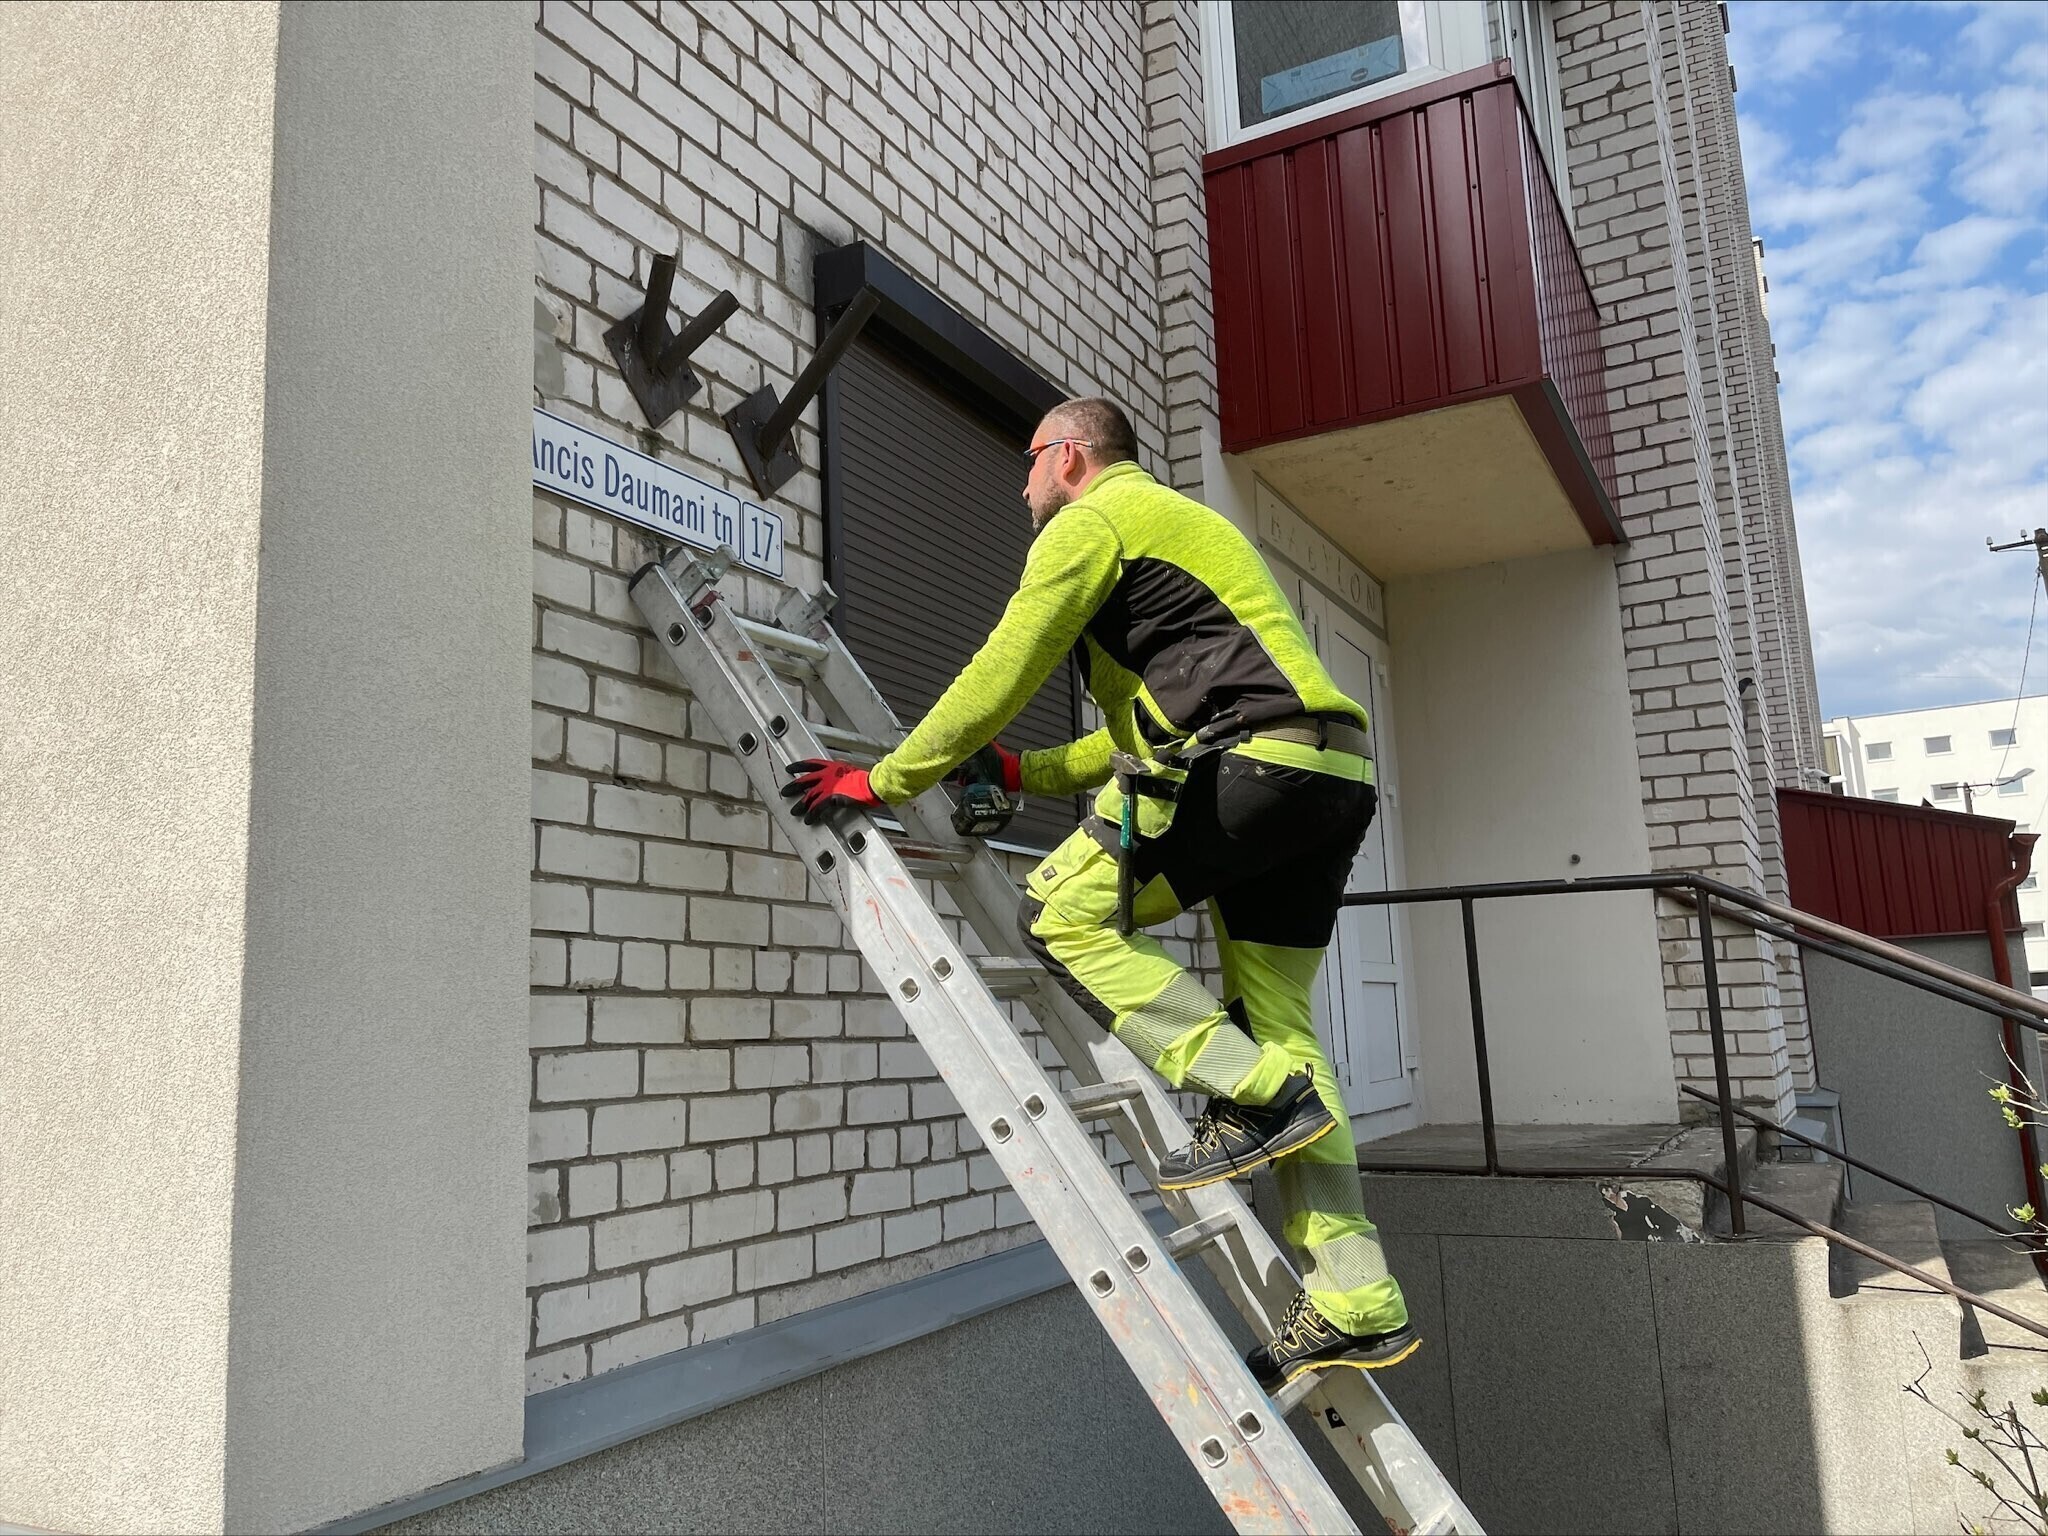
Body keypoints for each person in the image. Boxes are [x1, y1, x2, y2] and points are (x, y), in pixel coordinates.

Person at [781, 397, 1415, 1388]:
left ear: (1071, 456)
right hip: (1327, 776)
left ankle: (1251, 1094)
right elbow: (1135, 736)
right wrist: (1021, 771)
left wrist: (884, 781)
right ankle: (1357, 1298)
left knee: (1059, 911)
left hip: (1250, 763)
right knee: (1283, 1027)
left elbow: (1001, 669)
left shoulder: (1094, 522)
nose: (1022, 484)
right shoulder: (1173, 541)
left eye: (1031, 460)